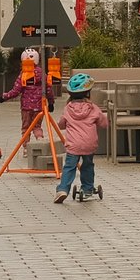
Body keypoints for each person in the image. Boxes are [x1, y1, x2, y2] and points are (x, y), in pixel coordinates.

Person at [54, 72, 107, 203]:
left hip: (73, 145)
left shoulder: (68, 109)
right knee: (87, 166)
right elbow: (104, 124)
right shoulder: (93, 108)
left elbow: (61, 125)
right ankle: (88, 189)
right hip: (89, 144)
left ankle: (63, 189)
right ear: (88, 93)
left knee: (69, 167)